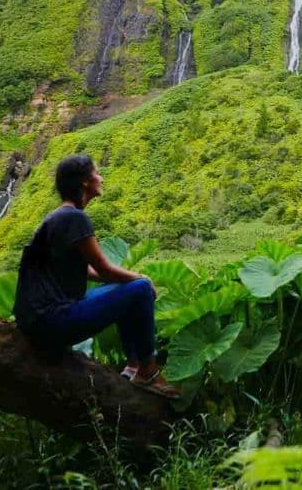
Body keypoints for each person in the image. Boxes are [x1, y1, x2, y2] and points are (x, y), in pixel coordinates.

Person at [12, 153, 180, 397]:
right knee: (140, 289)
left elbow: (87, 271)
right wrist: (142, 280)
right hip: (53, 320)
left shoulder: (58, 216)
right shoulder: (75, 218)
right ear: (85, 182)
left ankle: (133, 366)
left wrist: (130, 282)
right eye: (96, 173)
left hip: (37, 322)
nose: (101, 178)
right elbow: (104, 269)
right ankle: (148, 371)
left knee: (128, 290)